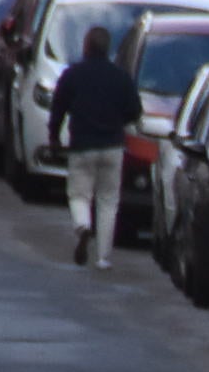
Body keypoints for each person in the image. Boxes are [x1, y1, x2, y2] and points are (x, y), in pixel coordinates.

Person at [46, 23, 142, 270]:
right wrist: (118, 120)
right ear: (107, 49)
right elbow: (134, 111)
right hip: (112, 146)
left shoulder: (73, 75)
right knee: (108, 200)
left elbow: (58, 108)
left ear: (86, 47)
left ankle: (82, 226)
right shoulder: (121, 77)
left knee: (79, 194)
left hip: (82, 145)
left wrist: (54, 136)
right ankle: (103, 258)